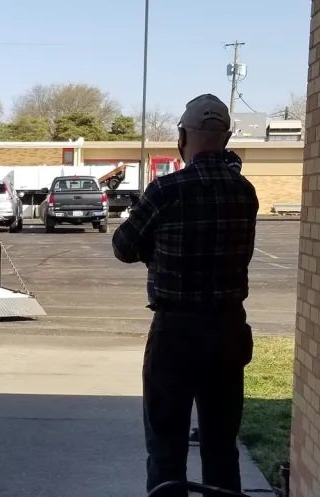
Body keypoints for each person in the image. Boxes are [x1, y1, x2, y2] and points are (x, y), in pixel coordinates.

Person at [112, 94, 259, 496]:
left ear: (183, 136)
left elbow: (124, 246)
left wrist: (155, 250)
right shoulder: (245, 193)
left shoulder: (165, 191)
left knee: (166, 450)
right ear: (226, 137)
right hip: (228, 330)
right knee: (220, 447)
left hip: (175, 333)